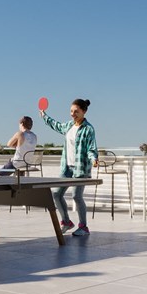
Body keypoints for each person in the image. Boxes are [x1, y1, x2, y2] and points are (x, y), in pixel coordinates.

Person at [41, 98, 98, 236]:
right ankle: (66, 221)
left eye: (76, 112)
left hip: (80, 169)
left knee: (77, 197)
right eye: (71, 111)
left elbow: (91, 148)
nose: (73, 114)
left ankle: (83, 227)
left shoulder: (88, 129)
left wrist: (94, 159)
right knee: (56, 194)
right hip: (66, 168)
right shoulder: (69, 126)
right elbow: (57, 125)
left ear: (84, 112)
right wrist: (44, 116)